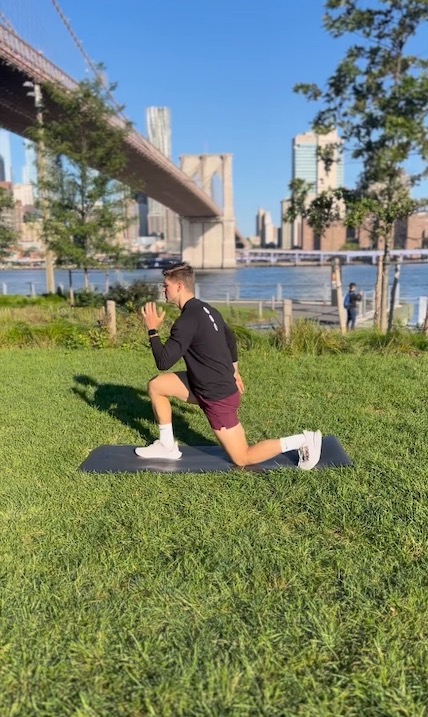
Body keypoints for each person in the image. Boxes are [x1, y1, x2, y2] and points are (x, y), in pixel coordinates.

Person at [135, 263, 322, 470]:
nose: (163, 289)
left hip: (216, 396)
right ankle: (167, 445)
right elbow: (230, 339)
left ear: (179, 286)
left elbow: (163, 362)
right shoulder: (207, 309)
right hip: (206, 383)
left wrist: (152, 330)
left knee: (242, 458)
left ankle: (302, 441)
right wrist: (235, 371)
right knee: (157, 386)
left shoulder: (186, 320)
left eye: (166, 285)